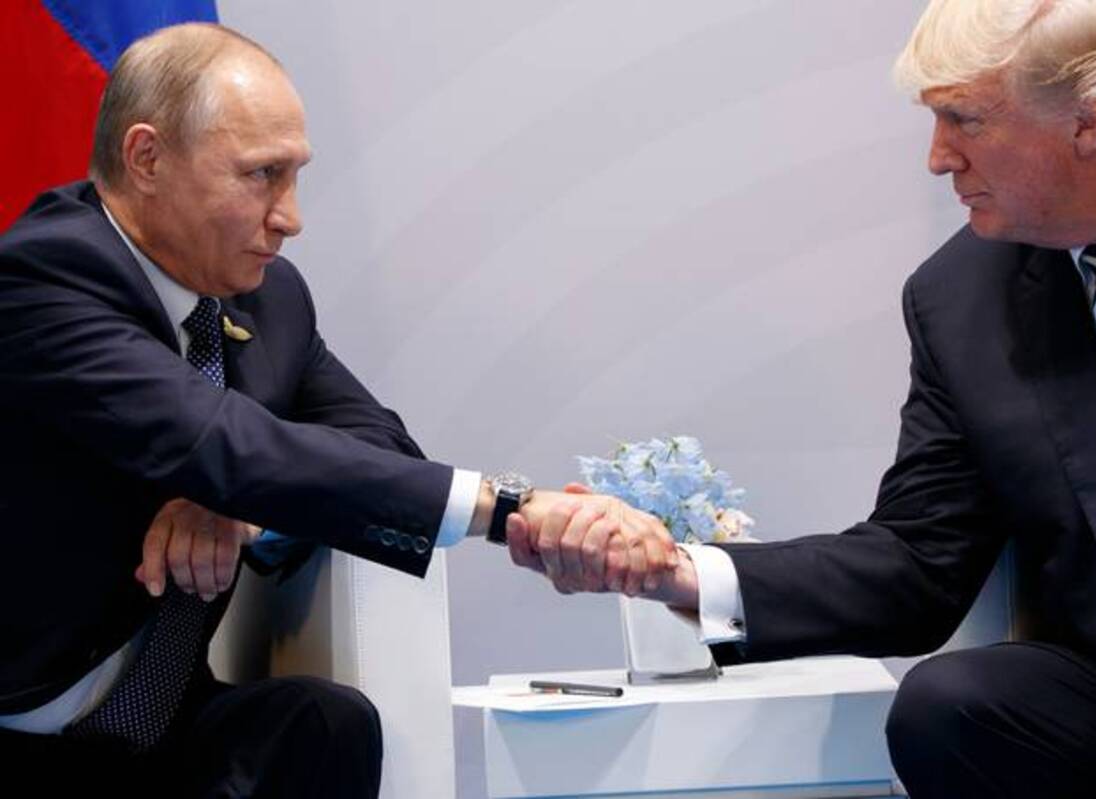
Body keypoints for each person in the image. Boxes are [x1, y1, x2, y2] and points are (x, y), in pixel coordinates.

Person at [508, 1, 1096, 796]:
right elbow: (916, 562)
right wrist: (676, 573)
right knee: (953, 706)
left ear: (1086, 119)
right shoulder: (965, 301)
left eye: (963, 119)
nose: (937, 158)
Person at [0, 22, 674, 798]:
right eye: (261, 174)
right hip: (21, 722)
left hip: (158, 729)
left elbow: (380, 443)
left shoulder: (268, 297)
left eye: (295, 176)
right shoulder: (43, 278)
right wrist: (509, 507)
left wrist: (239, 509)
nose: (290, 216)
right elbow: (219, 442)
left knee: (324, 723)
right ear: (147, 158)